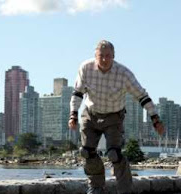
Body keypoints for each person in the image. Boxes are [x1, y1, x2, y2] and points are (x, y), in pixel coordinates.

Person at [68, 40, 165, 194]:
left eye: (108, 56)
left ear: (114, 56)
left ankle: (125, 190)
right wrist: (73, 115)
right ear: (95, 56)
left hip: (114, 116)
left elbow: (142, 96)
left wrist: (155, 119)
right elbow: (78, 93)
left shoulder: (123, 74)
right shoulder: (85, 68)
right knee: (86, 151)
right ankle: (96, 187)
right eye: (101, 56)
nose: (105, 60)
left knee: (114, 153)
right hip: (91, 113)